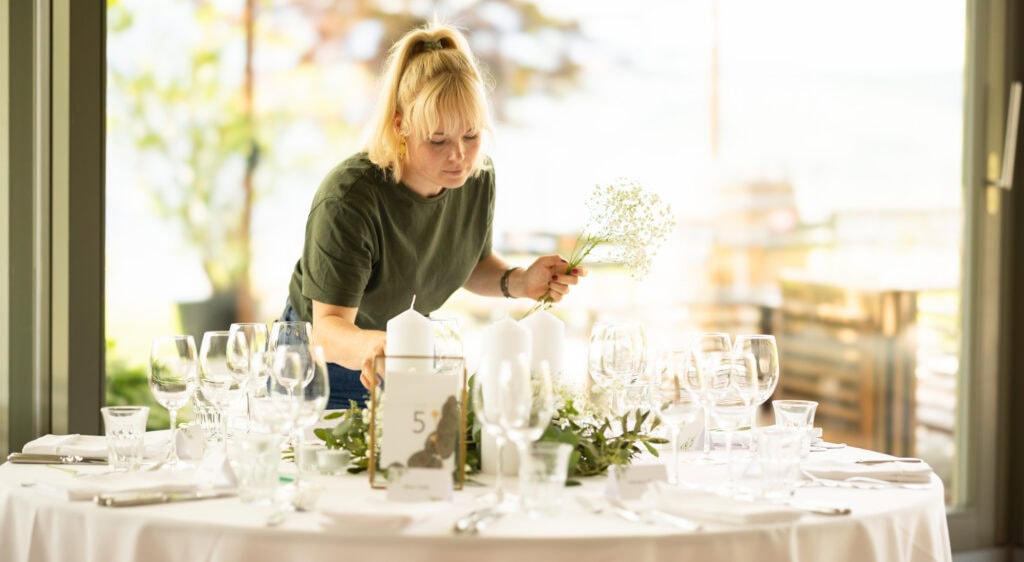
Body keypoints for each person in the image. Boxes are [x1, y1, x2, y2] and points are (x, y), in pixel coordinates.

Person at [281, 22, 586, 409]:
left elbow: (465, 262)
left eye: (471, 136)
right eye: (438, 140)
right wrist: (376, 347)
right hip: (323, 365)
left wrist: (522, 281)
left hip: (403, 351)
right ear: (401, 126)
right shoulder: (349, 199)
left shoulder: (476, 177)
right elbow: (326, 330)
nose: (459, 155)